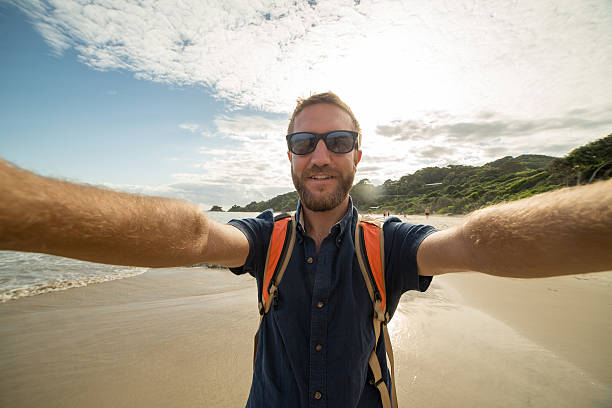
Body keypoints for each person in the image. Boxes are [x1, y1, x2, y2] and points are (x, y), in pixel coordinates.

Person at [1, 92, 611, 408]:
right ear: (290, 155)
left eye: (337, 140)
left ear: (356, 156)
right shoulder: (265, 240)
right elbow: (190, 236)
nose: (321, 154)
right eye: (305, 141)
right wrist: (20, 208)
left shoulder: (390, 245)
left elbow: (478, 241)